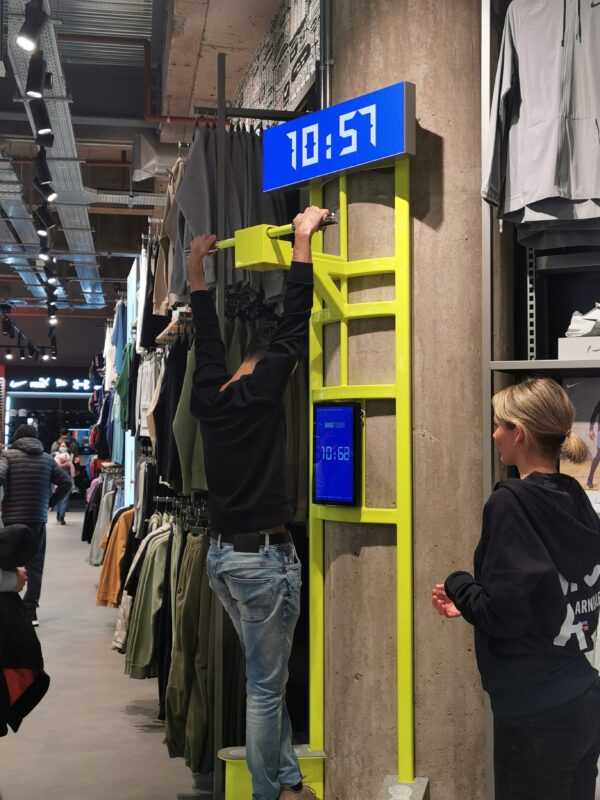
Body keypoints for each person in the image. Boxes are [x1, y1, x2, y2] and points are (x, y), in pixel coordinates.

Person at [188, 206, 329, 800]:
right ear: (255, 375)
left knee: (267, 675)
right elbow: (294, 327)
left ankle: (288, 779)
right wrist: (302, 240)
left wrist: (196, 274)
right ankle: (267, 793)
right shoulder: (259, 395)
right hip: (262, 561)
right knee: (266, 688)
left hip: (226, 558)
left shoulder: (210, 399)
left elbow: (207, 340)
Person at [432, 378, 600, 800]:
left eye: (498, 425)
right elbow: (542, 591)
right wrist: (475, 604)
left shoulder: (510, 502)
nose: (494, 435)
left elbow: (504, 615)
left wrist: (459, 584)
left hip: (535, 715)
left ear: (519, 434)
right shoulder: (574, 497)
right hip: (583, 698)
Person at [0, 424, 73, 627]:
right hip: (37, 518)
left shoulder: (8, 456)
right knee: (35, 564)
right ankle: (30, 611)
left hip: (12, 518)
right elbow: (67, 483)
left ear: (16, 438)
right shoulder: (47, 459)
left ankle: (7, 608)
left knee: (7, 560)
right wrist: (50, 502)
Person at [53, 442, 75, 525]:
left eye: (64, 446)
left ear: (67, 447)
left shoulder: (71, 456)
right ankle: (59, 514)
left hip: (66, 479)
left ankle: (61, 516)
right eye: (61, 446)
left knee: (64, 499)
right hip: (57, 480)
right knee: (58, 498)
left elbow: (73, 469)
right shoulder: (55, 455)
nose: (62, 447)